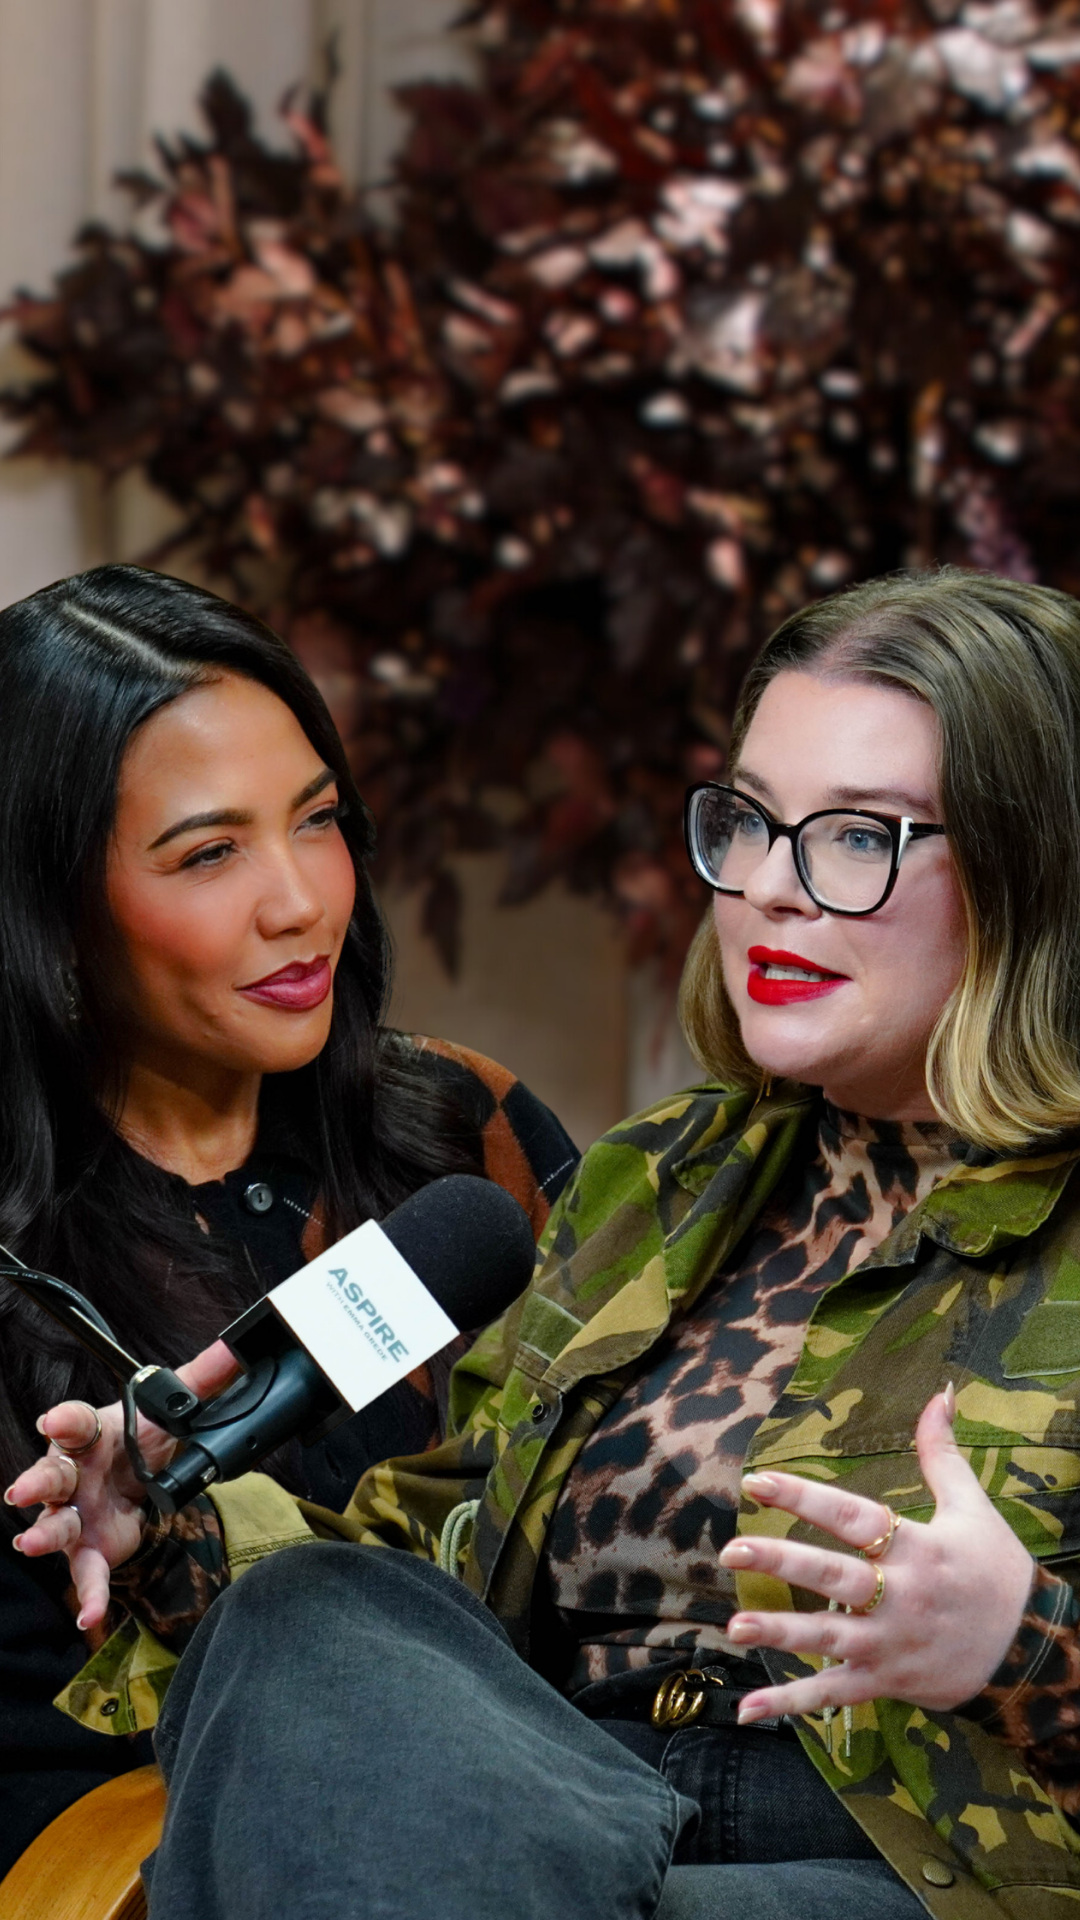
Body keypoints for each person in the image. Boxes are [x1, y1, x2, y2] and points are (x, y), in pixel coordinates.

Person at [12, 566, 1080, 1919]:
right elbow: (441, 1581)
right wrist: (175, 1528)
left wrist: (1022, 1649)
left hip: (910, 1861)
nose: (769, 889)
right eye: (750, 823)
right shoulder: (655, 1183)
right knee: (311, 1615)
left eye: (859, 837)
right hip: (559, 1818)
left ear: (1035, 862)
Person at [0, 563, 577, 1880]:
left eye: (314, 821)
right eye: (210, 852)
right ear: (50, 908)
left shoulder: (467, 1130)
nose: (300, 900)